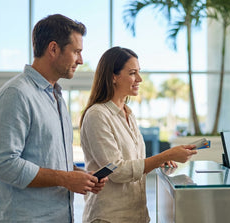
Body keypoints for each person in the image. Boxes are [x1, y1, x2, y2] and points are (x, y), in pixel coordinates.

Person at [0, 14, 107, 222]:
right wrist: (66, 179)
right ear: (53, 49)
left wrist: (80, 176)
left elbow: (50, 159)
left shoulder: (57, 97)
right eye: (76, 52)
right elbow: (3, 163)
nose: (80, 60)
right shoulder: (16, 94)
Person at [80, 46, 197, 223]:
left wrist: (158, 161)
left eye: (139, 72)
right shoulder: (97, 115)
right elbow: (117, 170)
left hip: (136, 215)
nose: (140, 79)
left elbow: (133, 164)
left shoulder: (129, 113)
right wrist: (164, 155)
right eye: (133, 73)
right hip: (109, 217)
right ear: (113, 76)